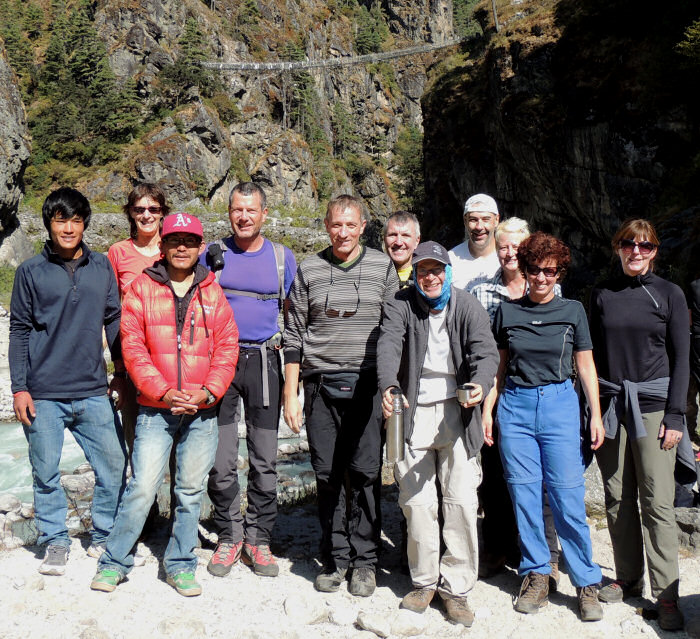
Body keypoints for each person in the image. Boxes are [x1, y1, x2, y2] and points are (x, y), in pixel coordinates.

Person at [90, 212, 239, 597]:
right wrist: (162, 391)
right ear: (164, 245)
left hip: (202, 409)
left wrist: (208, 392)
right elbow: (132, 347)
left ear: (200, 247)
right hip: (155, 408)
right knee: (142, 486)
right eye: (175, 240)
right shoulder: (141, 288)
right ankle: (114, 562)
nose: (182, 247)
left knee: (189, 491)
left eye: (190, 241)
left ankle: (180, 564)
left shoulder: (212, 291)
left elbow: (227, 347)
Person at [482, 231, 605, 622]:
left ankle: (586, 581)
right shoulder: (507, 312)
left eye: (549, 271)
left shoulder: (573, 311)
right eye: (534, 268)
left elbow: (585, 366)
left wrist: (596, 415)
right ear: (525, 267)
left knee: (568, 496)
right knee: (525, 496)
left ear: (559, 272)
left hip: (559, 405)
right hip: (515, 407)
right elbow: (498, 369)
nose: (541, 277)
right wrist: (488, 411)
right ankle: (536, 574)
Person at [376, 241, 498, 626]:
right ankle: (424, 581)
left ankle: (457, 587)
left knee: (461, 500)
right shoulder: (401, 303)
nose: (430, 276)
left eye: (437, 269)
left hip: (457, 411)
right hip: (411, 411)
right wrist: (388, 386)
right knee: (416, 502)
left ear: (448, 271)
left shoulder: (467, 305)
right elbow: (389, 345)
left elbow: (486, 351)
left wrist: (479, 383)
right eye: (423, 270)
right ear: (414, 273)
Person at [283, 195, 399, 597]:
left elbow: (393, 331)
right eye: (336, 225)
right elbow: (294, 333)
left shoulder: (383, 268)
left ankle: (365, 560)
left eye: (350, 225)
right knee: (328, 474)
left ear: (363, 225)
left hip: (367, 383)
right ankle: (335, 557)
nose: (343, 232)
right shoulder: (310, 269)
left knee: (366, 473)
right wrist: (291, 392)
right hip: (319, 383)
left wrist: (389, 385)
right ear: (326, 226)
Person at [9, 187, 128, 576]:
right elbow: (20, 331)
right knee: (45, 473)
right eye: (61, 219)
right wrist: (19, 388)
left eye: (76, 219)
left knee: (113, 467)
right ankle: (55, 540)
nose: (69, 227)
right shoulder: (30, 271)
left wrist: (122, 373)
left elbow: (113, 320)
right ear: (49, 223)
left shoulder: (101, 267)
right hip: (43, 393)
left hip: (93, 389)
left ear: (84, 223)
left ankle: (105, 535)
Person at [589, 219, 690, 631]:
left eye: (645, 246)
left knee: (658, 502)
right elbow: (589, 355)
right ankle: (628, 577)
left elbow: (682, 358)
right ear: (617, 248)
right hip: (613, 404)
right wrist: (591, 409)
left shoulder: (669, 294)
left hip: (653, 407)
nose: (636, 251)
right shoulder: (602, 295)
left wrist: (675, 415)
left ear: (655, 251)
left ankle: (666, 595)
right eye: (629, 244)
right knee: (616, 495)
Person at [203, 182, 296, 579]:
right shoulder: (212, 254)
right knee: (221, 460)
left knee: (264, 458)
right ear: (229, 212)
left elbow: (294, 317)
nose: (244, 217)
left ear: (264, 213)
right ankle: (229, 535)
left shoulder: (281, 257)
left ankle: (258, 538)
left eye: (251, 210)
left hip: (265, 363)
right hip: (219, 364)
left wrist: (295, 383)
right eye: (237, 210)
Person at [471, 218, 561, 583]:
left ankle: (543, 553)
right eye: (503, 246)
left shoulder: (546, 285)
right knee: (493, 475)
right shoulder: (480, 292)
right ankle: (497, 548)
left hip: (534, 393)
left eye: (516, 247)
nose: (509, 253)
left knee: (538, 478)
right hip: (493, 391)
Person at [108, 183, 169, 458]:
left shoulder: (173, 249)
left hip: (170, 355)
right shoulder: (118, 252)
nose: (146, 215)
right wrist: (118, 370)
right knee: (136, 435)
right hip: (133, 355)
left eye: (153, 209)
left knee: (173, 435)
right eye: (139, 209)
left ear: (162, 213)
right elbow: (109, 311)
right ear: (130, 213)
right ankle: (147, 503)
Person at [448, 193, 501, 291]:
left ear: (496, 220)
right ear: (465, 221)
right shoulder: (451, 260)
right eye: (473, 220)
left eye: (486, 219)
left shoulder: (509, 257)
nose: (479, 227)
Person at [383, 211, 421, 288]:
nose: (399, 242)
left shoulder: (427, 276)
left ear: (417, 241)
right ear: (384, 239)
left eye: (405, 235)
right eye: (392, 235)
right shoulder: (372, 275)